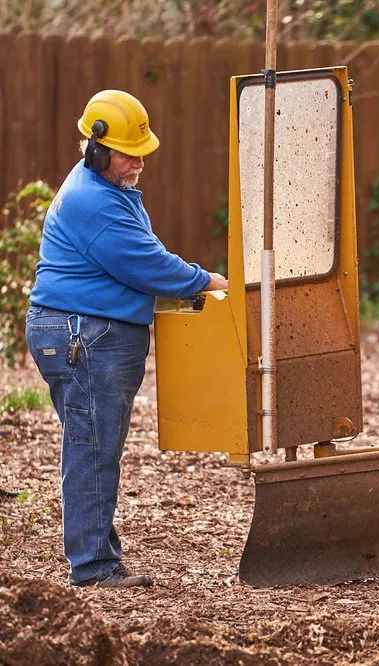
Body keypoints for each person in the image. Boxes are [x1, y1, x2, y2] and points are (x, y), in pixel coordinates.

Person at [25, 90, 227, 588]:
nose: (138, 162)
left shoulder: (108, 190)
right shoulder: (94, 201)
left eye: (142, 152)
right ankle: (94, 567)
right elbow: (147, 264)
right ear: (95, 148)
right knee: (92, 448)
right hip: (83, 334)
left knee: (94, 446)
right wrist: (206, 280)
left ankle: (98, 552)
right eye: (126, 152)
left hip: (84, 332)